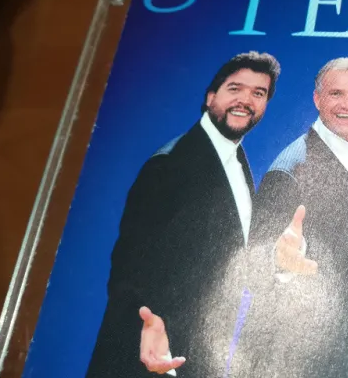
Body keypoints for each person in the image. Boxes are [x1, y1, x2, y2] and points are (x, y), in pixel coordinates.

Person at [86, 51, 281, 378]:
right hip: (149, 357)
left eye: (258, 93)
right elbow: (129, 262)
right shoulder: (170, 164)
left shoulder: (236, 160)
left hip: (196, 349)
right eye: (235, 88)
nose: (246, 100)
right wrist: (147, 322)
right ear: (211, 97)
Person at [243, 57, 348, 377]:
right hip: (304, 348)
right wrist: (280, 264)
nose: (347, 104)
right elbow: (259, 264)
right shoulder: (288, 172)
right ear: (317, 99)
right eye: (336, 94)